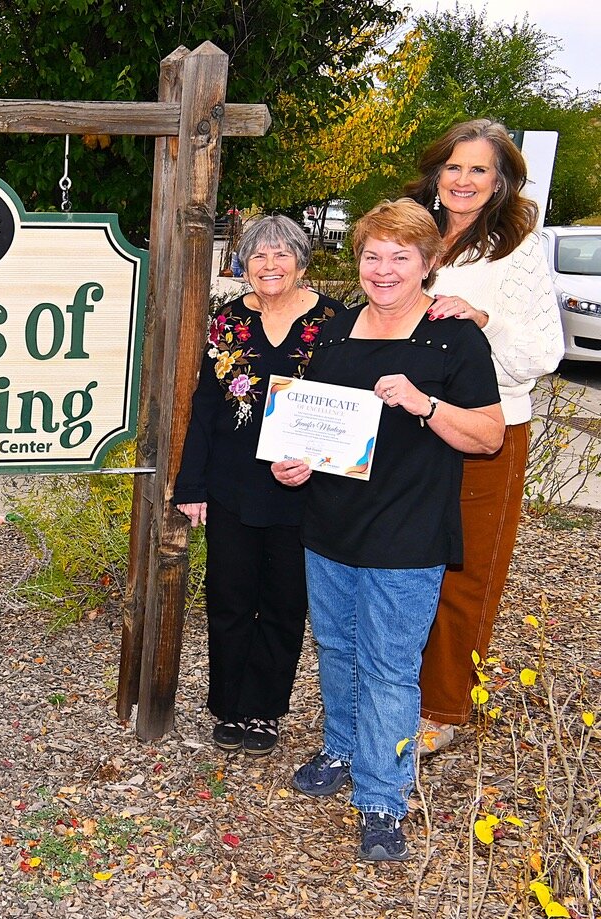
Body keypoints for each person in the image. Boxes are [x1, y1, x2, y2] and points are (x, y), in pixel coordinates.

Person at [272, 200, 504, 861]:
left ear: (428, 262)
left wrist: (425, 403)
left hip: (408, 533)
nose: (384, 268)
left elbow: (488, 435)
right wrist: (296, 466)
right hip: (332, 527)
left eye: (401, 256)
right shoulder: (337, 335)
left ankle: (381, 797)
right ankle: (343, 750)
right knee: (339, 652)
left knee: (391, 669)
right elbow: (319, 432)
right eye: (372, 254)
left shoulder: (452, 338)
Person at [403, 119, 564, 749]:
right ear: (436, 173)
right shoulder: (416, 231)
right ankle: (397, 689)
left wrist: (482, 318)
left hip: (486, 429)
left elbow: (545, 351)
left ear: (500, 183)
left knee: (465, 572)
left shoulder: (515, 249)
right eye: (454, 166)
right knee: (402, 565)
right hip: (409, 425)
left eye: (479, 170)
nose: (463, 180)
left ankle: (442, 709)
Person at [174, 216, 341, 756]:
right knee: (228, 598)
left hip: (303, 489)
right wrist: (191, 483)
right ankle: (228, 706)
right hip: (230, 484)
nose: (270, 266)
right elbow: (204, 406)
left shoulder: (336, 321)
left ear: (302, 260)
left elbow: (351, 408)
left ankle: (265, 712)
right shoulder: (227, 322)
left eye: (281, 255)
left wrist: (323, 461)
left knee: (284, 604)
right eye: (258, 257)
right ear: (241, 264)